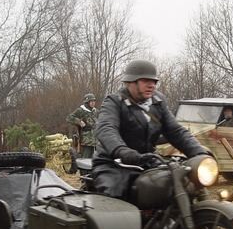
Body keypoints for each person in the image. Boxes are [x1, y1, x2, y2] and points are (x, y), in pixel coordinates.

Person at [92, 59, 209, 198]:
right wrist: (121, 150)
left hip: (147, 160)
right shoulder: (114, 101)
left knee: (185, 186)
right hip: (114, 164)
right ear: (130, 82)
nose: (151, 85)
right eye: (145, 81)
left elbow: (175, 131)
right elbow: (106, 128)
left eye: (154, 81)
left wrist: (199, 152)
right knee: (115, 201)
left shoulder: (158, 101)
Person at [67, 93, 99, 158]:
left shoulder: (96, 111)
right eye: (91, 101)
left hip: (96, 139)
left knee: (96, 159)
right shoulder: (81, 110)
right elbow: (69, 118)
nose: (93, 103)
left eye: (94, 101)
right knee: (85, 158)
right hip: (86, 140)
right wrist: (79, 121)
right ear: (87, 102)